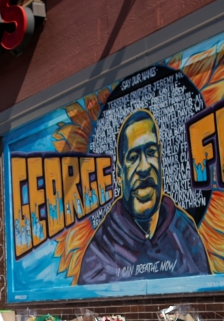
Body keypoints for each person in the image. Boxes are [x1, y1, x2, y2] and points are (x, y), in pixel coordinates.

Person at [78, 109, 210, 285]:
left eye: (150, 152)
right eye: (133, 157)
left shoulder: (184, 232)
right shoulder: (100, 252)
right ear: (119, 174)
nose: (144, 167)